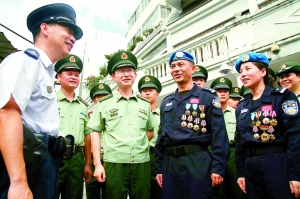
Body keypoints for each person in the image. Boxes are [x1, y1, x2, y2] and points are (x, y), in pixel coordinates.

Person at [0, 3, 82, 199]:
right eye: (68, 30)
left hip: (45, 160)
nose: (73, 38)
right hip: (29, 161)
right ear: (44, 28)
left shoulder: (46, 71)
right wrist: (18, 182)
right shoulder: (25, 60)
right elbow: (6, 113)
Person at [155, 50, 230, 199]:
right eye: (173, 66)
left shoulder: (207, 97)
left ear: (193, 68)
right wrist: (159, 168)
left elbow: (219, 134)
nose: (176, 69)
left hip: (197, 161)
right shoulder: (166, 102)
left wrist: (218, 167)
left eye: (181, 65)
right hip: (170, 163)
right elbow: (161, 138)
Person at [87, 51, 156, 199]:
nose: (126, 74)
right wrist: (98, 164)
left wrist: (138, 143)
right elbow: (96, 133)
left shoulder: (144, 104)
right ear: (113, 77)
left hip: (141, 163)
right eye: (121, 71)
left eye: (130, 70)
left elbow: (150, 131)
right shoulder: (104, 104)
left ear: (135, 75)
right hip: (114, 164)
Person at [235, 52, 300, 199]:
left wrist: (296, 174)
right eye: (241, 71)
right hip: (250, 166)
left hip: (276, 163)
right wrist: (241, 173)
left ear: (263, 72)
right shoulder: (242, 106)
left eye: (248, 69)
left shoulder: (282, 97)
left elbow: (294, 137)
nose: (243, 74)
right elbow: (240, 142)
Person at [55, 54, 92, 199]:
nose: (73, 77)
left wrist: (88, 163)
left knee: (74, 196)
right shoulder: (50, 101)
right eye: (69, 73)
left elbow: (87, 135)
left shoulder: (83, 105)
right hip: (54, 155)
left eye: (76, 75)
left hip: (77, 158)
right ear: (59, 76)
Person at [210, 78, 246, 199]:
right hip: (214, 154)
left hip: (232, 154)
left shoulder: (237, 113)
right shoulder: (209, 114)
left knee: (236, 190)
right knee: (217, 190)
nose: (223, 93)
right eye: (219, 91)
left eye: (225, 91)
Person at [86, 83, 112, 199]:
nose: (102, 100)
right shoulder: (87, 116)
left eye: (105, 97)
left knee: (110, 192)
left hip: (109, 159)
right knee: (92, 193)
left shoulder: (113, 115)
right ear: (93, 100)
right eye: (99, 97)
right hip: (91, 160)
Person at [138, 75, 162, 199]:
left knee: (159, 190)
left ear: (157, 93)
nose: (147, 93)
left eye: (151, 90)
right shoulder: (136, 115)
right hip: (141, 156)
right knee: (142, 190)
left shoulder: (164, 115)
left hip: (158, 156)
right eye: (144, 91)